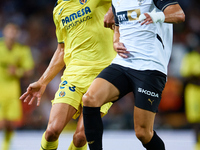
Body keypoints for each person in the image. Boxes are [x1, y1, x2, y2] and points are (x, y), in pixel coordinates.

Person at [82, 0, 185, 150]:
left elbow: (179, 15)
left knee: (143, 133)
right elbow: (118, 26)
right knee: (90, 99)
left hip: (150, 67)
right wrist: (116, 41)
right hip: (123, 63)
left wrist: (156, 17)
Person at [20, 0, 116, 150]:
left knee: (80, 137)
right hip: (73, 76)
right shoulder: (59, 9)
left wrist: (112, 10)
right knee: (52, 131)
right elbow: (61, 49)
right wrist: (43, 81)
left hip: (104, 76)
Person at [0, 23, 34, 150]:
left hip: (12, 91)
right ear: (4, 32)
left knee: (9, 124)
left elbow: (29, 70)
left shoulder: (22, 50)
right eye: (9, 31)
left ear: (17, 34)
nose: (11, 34)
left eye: (14, 31)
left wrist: (17, 72)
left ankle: (5, 146)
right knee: (2, 122)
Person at [180, 45, 200, 150]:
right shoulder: (190, 57)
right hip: (194, 92)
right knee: (196, 121)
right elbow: (185, 77)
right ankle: (197, 144)